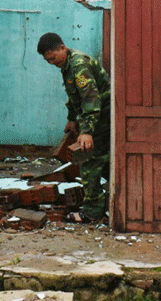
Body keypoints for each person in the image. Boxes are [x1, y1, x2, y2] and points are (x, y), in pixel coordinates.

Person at [37, 32, 111, 223]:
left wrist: (86, 132)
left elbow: (91, 99)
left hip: (102, 118)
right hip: (95, 117)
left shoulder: (79, 65)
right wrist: (72, 119)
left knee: (89, 162)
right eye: (48, 61)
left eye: (52, 58)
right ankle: (111, 200)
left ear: (62, 48)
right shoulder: (67, 64)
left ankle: (93, 213)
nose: (52, 63)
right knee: (102, 163)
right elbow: (74, 95)